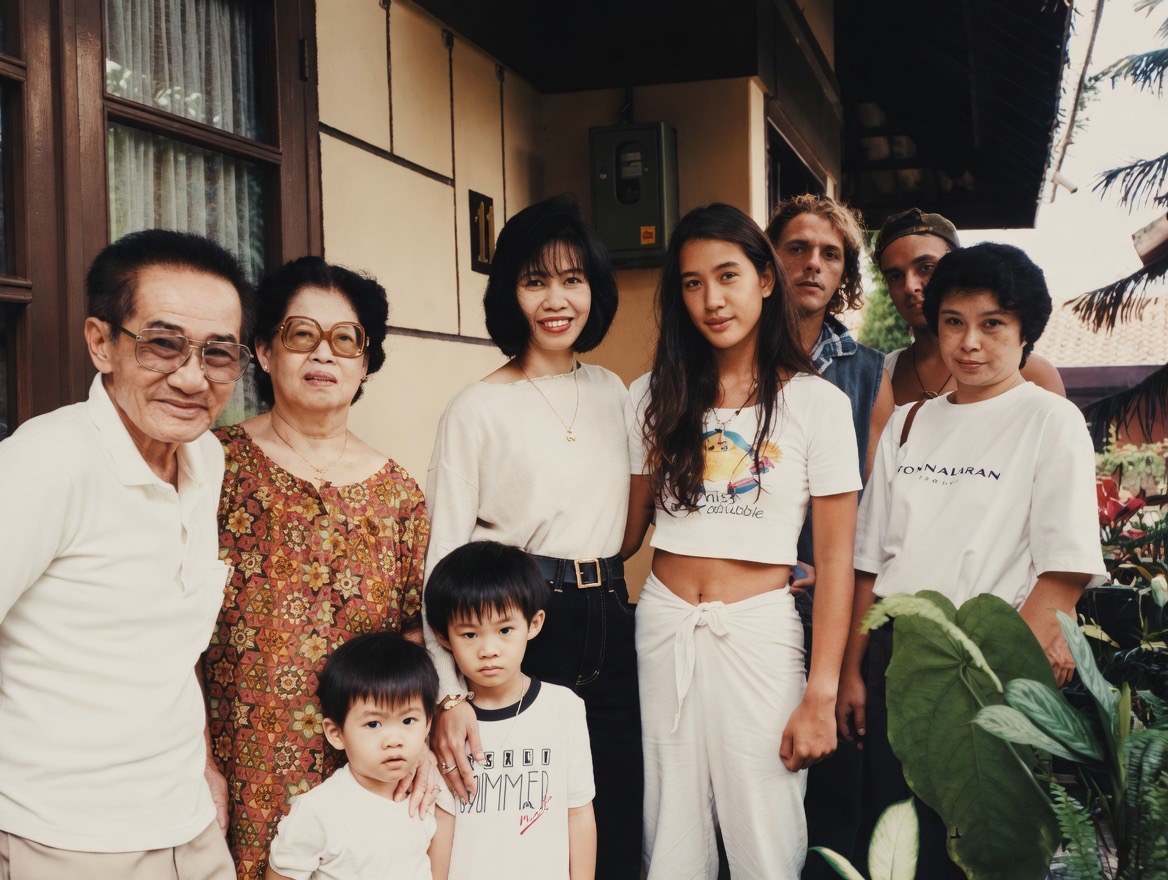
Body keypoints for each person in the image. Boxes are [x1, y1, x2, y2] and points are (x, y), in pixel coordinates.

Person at [837, 242, 1107, 879]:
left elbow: (1064, 569)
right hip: (899, 657)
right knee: (901, 846)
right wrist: (851, 673)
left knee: (986, 846)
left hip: (991, 658)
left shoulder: (1050, 420)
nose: (970, 342)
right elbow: (868, 564)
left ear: (1024, 332)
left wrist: (1010, 685)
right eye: (954, 322)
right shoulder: (907, 423)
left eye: (993, 324)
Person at [0, 229, 254, 878]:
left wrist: (203, 763)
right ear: (101, 343)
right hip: (66, 840)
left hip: (188, 825)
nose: (192, 378)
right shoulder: (44, 464)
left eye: (218, 353)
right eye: (163, 344)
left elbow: (170, 644)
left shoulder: (205, 457)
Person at [623, 203, 861, 879]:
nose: (712, 299)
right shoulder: (651, 395)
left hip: (760, 632)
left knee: (766, 834)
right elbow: (625, 531)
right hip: (665, 625)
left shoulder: (817, 403)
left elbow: (837, 560)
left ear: (764, 278)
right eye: (692, 283)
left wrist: (820, 694)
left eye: (727, 275)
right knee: (670, 831)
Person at [424, 195, 638, 877]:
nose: (556, 300)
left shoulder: (613, 391)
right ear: (509, 294)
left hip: (611, 615)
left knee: (615, 806)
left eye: (573, 279)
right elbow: (441, 556)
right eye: (535, 280)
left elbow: (632, 515)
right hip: (522, 624)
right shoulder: (476, 407)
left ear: (594, 290)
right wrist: (449, 691)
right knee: (524, 821)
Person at [204, 257, 436, 880]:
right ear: (264, 350)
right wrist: (198, 759)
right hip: (241, 757)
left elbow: (413, 635)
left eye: (345, 339)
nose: (323, 354)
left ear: (366, 361)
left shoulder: (399, 494)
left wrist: (418, 739)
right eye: (301, 334)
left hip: (370, 765)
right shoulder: (213, 466)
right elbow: (173, 626)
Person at [766, 194, 893, 877]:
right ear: (769, 258)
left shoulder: (869, 372)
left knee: (832, 792)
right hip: (748, 602)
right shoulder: (734, 355)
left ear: (844, 272)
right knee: (757, 776)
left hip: (831, 602)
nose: (813, 264)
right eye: (797, 248)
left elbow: (874, 506)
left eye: (830, 254)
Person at [427, 541, 596, 880]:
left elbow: (578, 812)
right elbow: (442, 823)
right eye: (470, 634)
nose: (488, 649)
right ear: (444, 638)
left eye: (504, 630)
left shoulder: (563, 708)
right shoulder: (444, 726)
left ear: (534, 624)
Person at [265, 632, 450, 880]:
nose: (394, 740)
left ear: (427, 725)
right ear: (336, 733)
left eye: (408, 720)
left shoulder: (427, 798)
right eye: (373, 724)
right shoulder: (318, 811)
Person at [873, 208, 1066, 404]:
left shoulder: (1033, 375)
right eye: (895, 276)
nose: (910, 286)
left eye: (926, 268)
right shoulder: (879, 375)